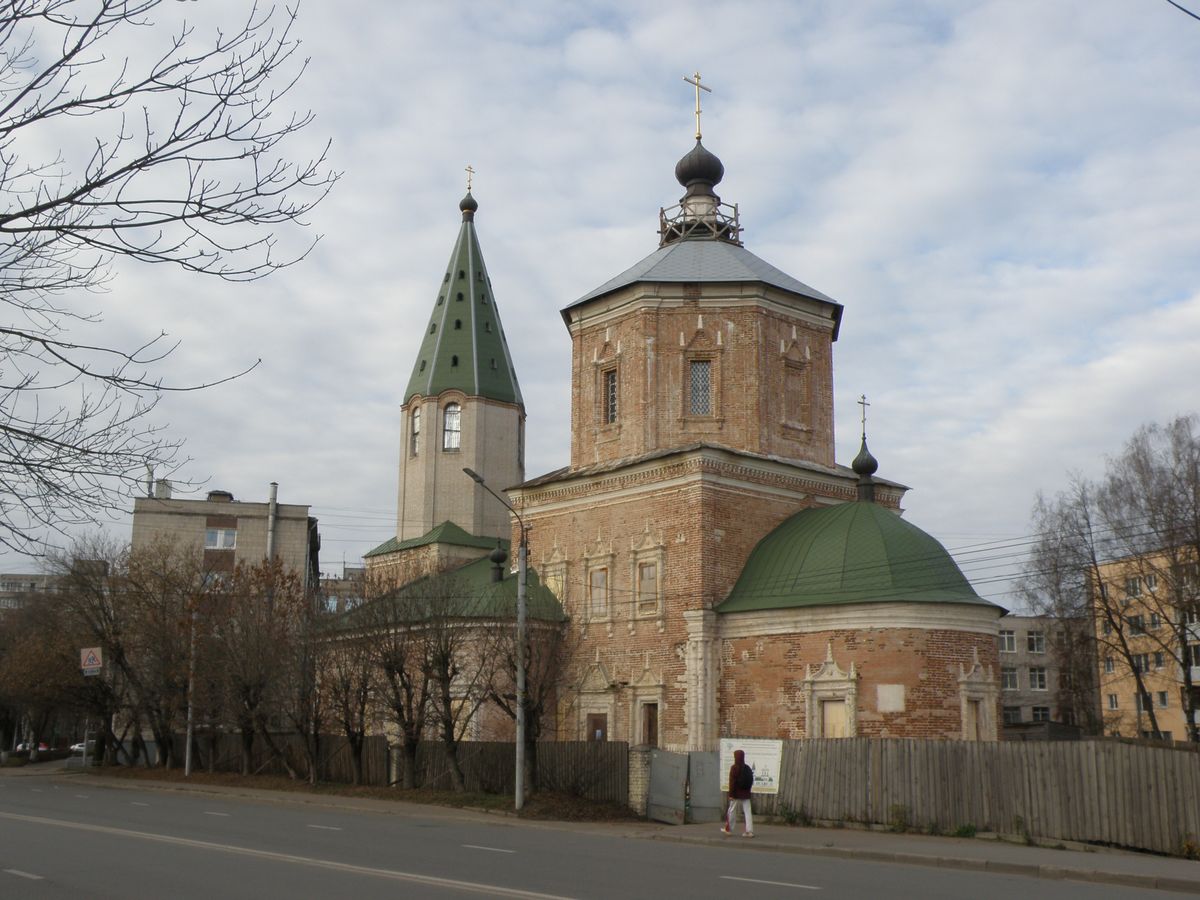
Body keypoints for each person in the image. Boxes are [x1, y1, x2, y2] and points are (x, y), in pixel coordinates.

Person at [722, 748, 754, 837]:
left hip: (735, 793)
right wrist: (747, 790)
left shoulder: (734, 768)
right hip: (746, 793)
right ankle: (749, 831)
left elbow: (732, 783)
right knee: (747, 811)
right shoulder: (747, 768)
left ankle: (728, 829)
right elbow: (751, 780)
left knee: (732, 810)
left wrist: (731, 795)